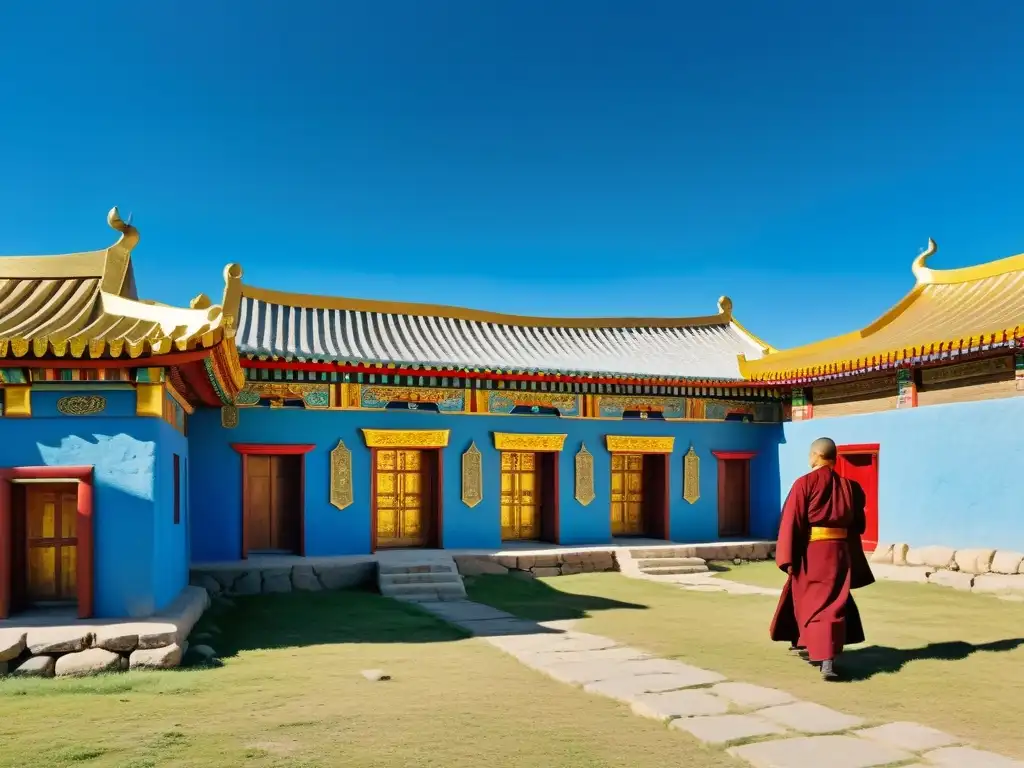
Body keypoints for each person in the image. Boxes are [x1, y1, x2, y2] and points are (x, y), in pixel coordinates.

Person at [769, 437, 874, 680]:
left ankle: (826, 659)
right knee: (828, 599)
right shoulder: (851, 487)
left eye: (810, 455)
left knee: (819, 604)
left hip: (813, 552)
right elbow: (859, 524)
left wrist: (787, 555)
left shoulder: (804, 484)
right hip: (839, 553)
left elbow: (792, 521)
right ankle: (802, 639)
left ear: (816, 455)